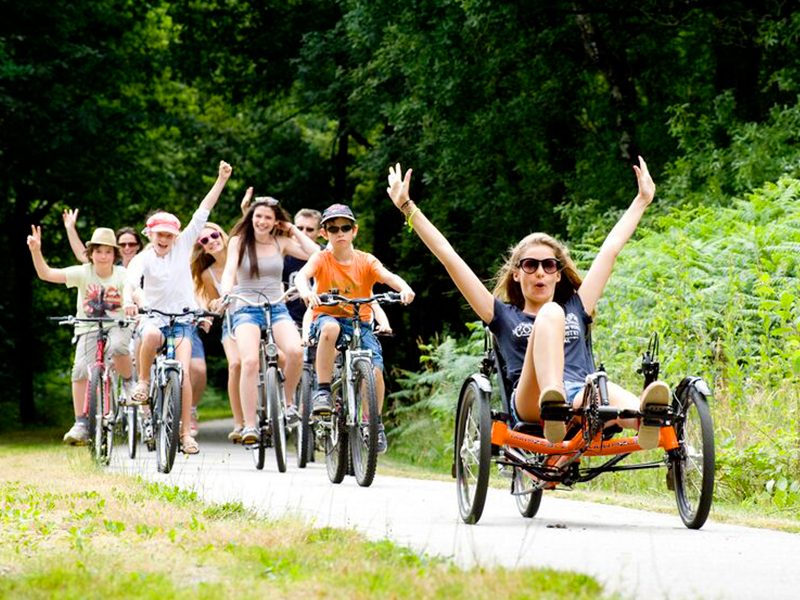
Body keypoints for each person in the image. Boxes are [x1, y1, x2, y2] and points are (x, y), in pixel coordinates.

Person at [385, 158, 670, 449]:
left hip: (579, 397)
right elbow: (449, 256)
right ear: (517, 272)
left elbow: (610, 250)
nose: (540, 272)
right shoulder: (502, 315)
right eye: (531, 265)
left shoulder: (576, 306)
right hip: (531, 399)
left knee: (604, 389)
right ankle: (553, 404)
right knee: (550, 314)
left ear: (559, 274)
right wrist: (408, 208)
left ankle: (644, 417)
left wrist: (642, 201)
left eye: (549, 266)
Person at [123, 160, 233, 455]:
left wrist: (221, 179)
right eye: (159, 234)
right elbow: (131, 284)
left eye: (169, 235)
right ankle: (144, 381)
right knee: (148, 338)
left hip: (183, 319)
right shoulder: (143, 258)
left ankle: (185, 435)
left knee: (183, 373)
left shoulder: (184, 246)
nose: (164, 239)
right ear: (149, 235)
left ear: (177, 235)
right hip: (154, 318)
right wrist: (128, 302)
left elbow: (203, 210)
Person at [295, 204, 415, 454]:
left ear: (354, 231)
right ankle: (324, 391)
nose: (340, 233)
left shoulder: (366, 260)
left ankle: (374, 424)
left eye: (345, 227)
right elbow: (302, 276)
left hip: (360, 320)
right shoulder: (321, 258)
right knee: (329, 329)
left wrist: (404, 288)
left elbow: (388, 276)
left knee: (375, 371)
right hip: (328, 316)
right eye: (333, 228)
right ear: (324, 233)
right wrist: (306, 292)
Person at [217, 196, 321, 445]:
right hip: (246, 308)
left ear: (276, 221)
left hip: (277, 307)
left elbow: (318, 253)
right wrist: (226, 293)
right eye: (258, 216)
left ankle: (287, 403)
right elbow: (229, 270)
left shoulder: (281, 242)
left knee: (296, 352)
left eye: (268, 217)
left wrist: (293, 229)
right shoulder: (238, 242)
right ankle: (250, 425)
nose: (262, 221)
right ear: (251, 218)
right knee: (250, 361)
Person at [27, 226, 134, 445]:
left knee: (119, 348)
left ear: (114, 255)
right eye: (98, 251)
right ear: (91, 254)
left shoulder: (122, 274)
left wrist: (132, 304)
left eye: (108, 252)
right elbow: (46, 274)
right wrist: (36, 251)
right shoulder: (83, 272)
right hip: (88, 327)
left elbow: (132, 292)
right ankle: (81, 423)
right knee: (79, 370)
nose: (103, 256)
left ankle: (128, 382)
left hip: (118, 324)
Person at [190, 222, 245, 442]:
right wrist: (214, 305)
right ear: (202, 248)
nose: (211, 241)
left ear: (222, 234)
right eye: (204, 240)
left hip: (257, 317)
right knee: (235, 365)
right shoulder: (207, 274)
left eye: (214, 235)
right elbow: (212, 301)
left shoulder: (243, 259)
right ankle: (239, 423)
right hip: (231, 321)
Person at [62, 210, 143, 268]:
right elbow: (82, 255)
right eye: (122, 244)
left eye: (131, 244)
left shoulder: (147, 265)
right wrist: (70, 228)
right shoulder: (110, 266)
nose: (127, 248)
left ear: (138, 246)